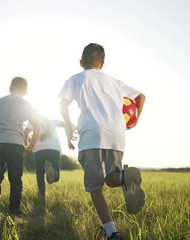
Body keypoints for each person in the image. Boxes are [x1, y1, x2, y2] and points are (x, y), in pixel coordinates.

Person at [58, 43, 146, 240]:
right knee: (112, 177)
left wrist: (70, 124)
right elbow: (141, 97)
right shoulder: (114, 82)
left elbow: (63, 103)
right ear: (102, 64)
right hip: (116, 132)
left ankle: (112, 232)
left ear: (81, 62)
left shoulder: (76, 79)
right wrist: (134, 120)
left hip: (92, 134)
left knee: (95, 186)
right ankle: (124, 178)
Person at [0, 77, 40, 216]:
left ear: (10, 88)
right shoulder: (26, 105)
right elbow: (37, 126)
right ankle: (14, 209)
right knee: (15, 177)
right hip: (15, 143)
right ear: (25, 91)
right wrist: (30, 146)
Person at [24, 115, 75, 197]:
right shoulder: (51, 120)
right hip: (53, 148)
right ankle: (53, 172)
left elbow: (26, 132)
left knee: (40, 174)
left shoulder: (33, 120)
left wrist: (27, 146)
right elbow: (65, 125)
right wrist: (69, 141)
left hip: (38, 149)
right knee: (56, 176)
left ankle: (41, 196)